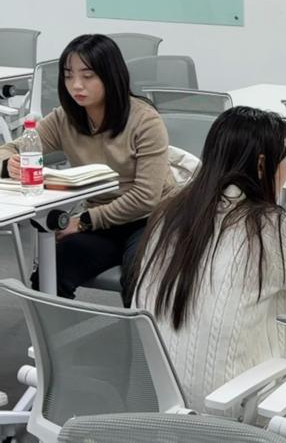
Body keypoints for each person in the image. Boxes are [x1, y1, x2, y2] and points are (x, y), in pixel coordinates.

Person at [132, 106, 286, 410]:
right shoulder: (266, 227)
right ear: (261, 165)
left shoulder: (169, 214)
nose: (284, 171)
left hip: (162, 402)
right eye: (282, 162)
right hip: (236, 409)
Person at [0, 34, 175, 304]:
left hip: (151, 219)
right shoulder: (65, 118)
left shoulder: (144, 120)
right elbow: (11, 148)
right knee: (50, 273)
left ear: (111, 76)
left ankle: (143, 334)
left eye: (87, 76)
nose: (76, 85)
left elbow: (146, 197)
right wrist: (8, 163)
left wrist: (83, 222)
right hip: (101, 221)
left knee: (140, 278)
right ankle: (55, 333)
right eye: (68, 76)